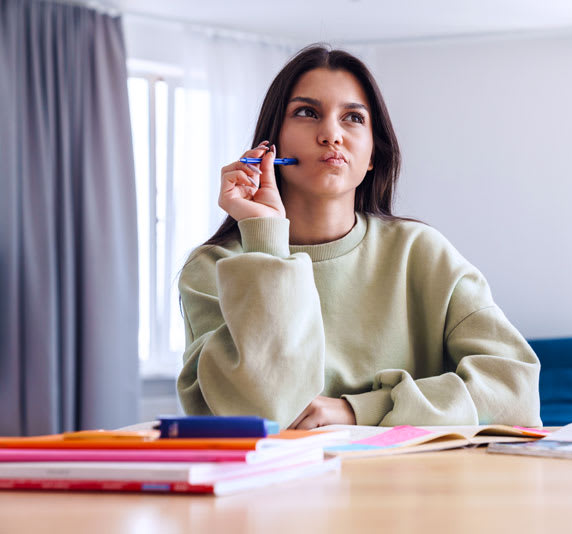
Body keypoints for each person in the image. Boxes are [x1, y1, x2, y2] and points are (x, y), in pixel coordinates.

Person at [178, 44, 541, 430]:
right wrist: (265, 242)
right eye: (306, 112)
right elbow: (263, 415)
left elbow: (515, 394)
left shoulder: (422, 253)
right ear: (271, 145)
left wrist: (359, 411)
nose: (331, 134)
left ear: (372, 155)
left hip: (415, 486)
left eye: (353, 117)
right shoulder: (213, 269)